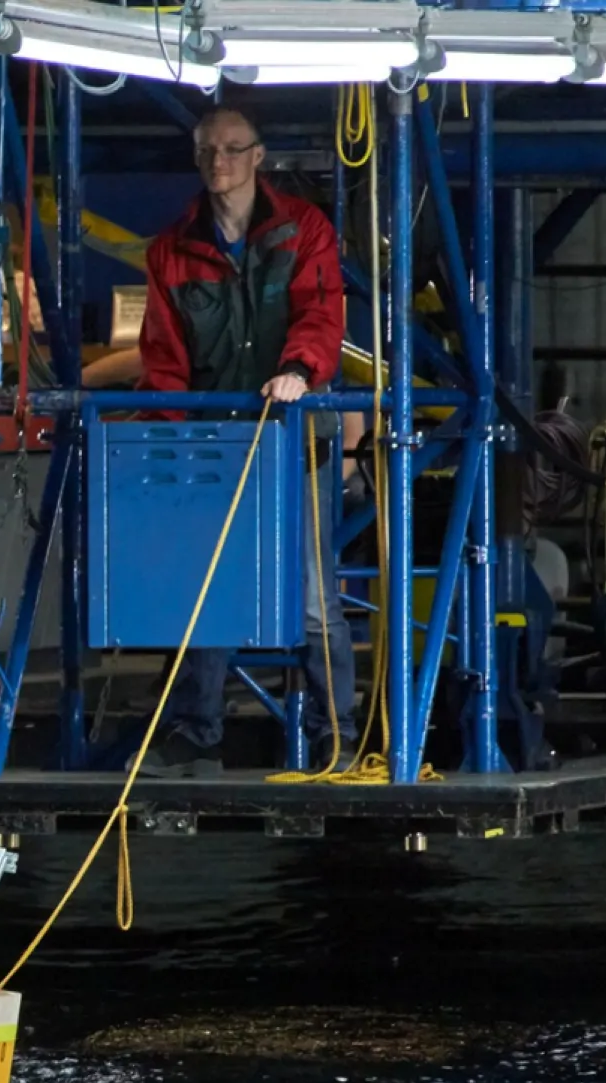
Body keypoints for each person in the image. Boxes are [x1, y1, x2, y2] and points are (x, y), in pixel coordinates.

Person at [138, 105, 357, 774]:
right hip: (215, 446)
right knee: (208, 590)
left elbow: (321, 312)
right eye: (207, 150)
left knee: (315, 598)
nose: (218, 162)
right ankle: (194, 732)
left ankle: (336, 735)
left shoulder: (303, 230)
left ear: (258, 157)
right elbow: (163, 358)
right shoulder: (169, 250)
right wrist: (175, 447)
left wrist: (297, 370)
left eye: (232, 149)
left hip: (295, 444)